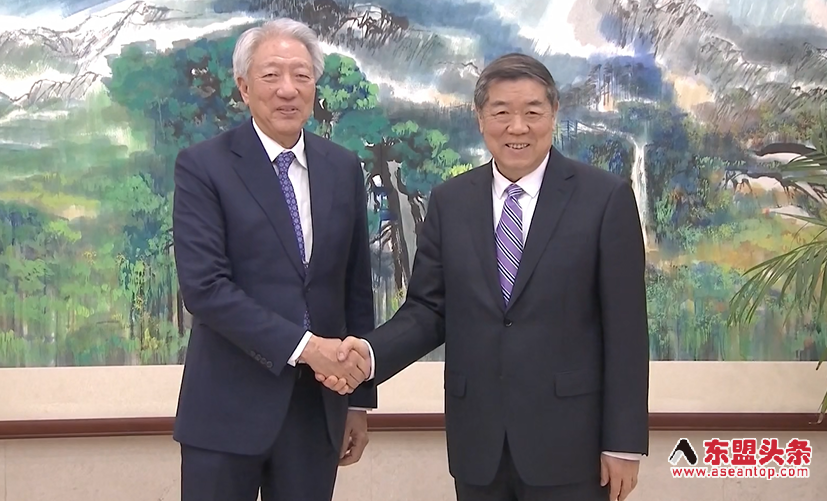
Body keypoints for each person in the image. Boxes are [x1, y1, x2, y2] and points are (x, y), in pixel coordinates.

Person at [328, 53, 650, 501]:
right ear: (480, 118)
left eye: (532, 112)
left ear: (553, 114)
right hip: (479, 444)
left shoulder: (605, 198)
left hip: (572, 445)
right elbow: (429, 310)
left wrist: (623, 443)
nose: (517, 128)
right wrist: (367, 355)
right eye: (501, 113)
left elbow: (626, 331)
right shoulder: (451, 201)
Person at [171, 18, 376, 501]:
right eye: (271, 75)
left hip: (316, 409)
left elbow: (355, 288)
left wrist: (358, 402)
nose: (288, 89)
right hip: (226, 409)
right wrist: (305, 347)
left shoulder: (342, 167)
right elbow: (205, 289)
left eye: (302, 76)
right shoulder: (204, 166)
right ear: (244, 87)